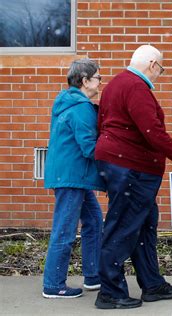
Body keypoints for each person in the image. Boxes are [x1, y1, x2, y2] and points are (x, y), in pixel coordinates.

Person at [94, 44, 172, 309]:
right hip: (131, 168)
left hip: (121, 165)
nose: (159, 74)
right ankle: (109, 292)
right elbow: (152, 131)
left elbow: (103, 123)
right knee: (123, 227)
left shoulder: (117, 83)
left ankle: (152, 284)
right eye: (160, 69)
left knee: (143, 224)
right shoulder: (136, 87)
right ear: (153, 64)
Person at [43, 58, 105, 298]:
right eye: (98, 77)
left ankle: (93, 276)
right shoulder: (80, 108)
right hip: (72, 178)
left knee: (94, 222)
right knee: (64, 230)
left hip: (72, 176)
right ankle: (53, 284)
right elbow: (90, 147)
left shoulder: (66, 102)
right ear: (85, 80)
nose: (101, 81)